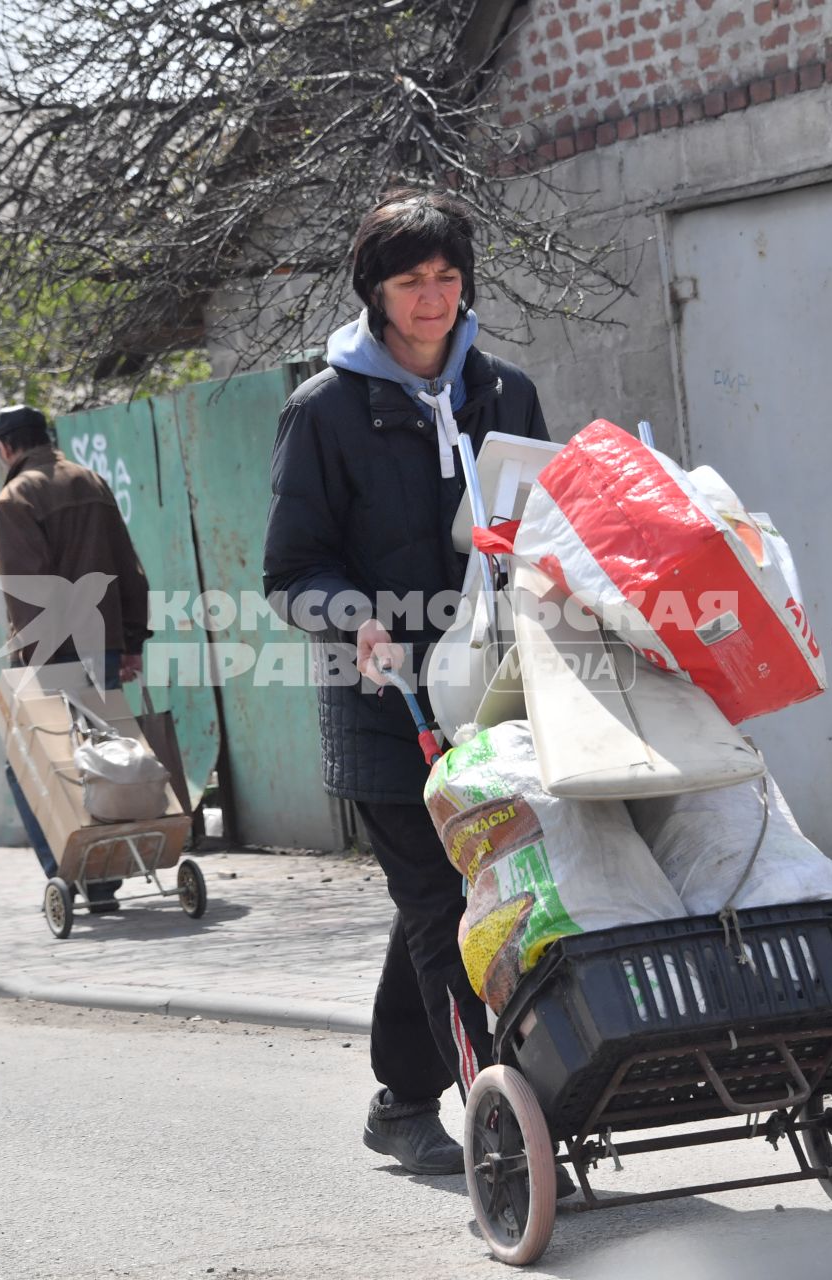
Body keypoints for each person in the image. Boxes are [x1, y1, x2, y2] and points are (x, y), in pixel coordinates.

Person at [263, 189, 551, 1174]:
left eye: (447, 276)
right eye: (409, 281)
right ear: (374, 295)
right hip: (388, 706)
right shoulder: (325, 411)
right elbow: (290, 572)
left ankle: (400, 1099)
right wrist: (357, 618)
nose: (433, 298)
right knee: (441, 903)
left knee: (451, 898)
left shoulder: (504, 395)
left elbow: (544, 520)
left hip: (498, 694)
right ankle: (501, 1117)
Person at [0, 403, 152, 912]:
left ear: (5, 449)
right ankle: (111, 871)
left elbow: (28, 592)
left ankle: (72, 871)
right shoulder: (92, 482)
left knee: (33, 763)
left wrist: (32, 669)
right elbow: (130, 566)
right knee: (108, 756)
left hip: (50, 653)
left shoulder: (14, 497)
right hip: (102, 646)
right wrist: (129, 642)